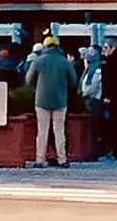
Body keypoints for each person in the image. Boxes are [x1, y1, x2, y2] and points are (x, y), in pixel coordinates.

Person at [26, 36, 76, 168]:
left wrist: (36, 87)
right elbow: (73, 81)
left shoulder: (38, 60)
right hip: (60, 99)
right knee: (59, 131)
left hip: (42, 99)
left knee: (42, 131)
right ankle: (62, 159)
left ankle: (40, 159)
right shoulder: (64, 61)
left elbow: (29, 79)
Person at [99, 38, 117, 159]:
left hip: (112, 96)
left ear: (112, 48)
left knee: (113, 122)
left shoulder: (110, 62)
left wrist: (107, 96)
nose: (104, 51)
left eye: (106, 48)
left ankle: (114, 149)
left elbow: (109, 81)